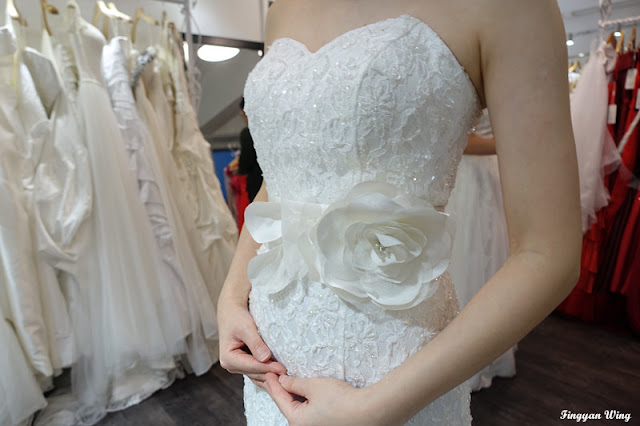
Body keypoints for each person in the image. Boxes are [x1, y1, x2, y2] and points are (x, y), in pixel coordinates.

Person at [218, 0, 581, 424]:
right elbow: (281, 180)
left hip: (394, 375)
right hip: (272, 357)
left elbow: (546, 254)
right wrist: (231, 297)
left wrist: (373, 410)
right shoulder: (281, 9)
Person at [238, 97, 263, 202]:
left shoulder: (248, 134)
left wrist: (239, 169)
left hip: (256, 181)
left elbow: (246, 161)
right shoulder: (269, 129)